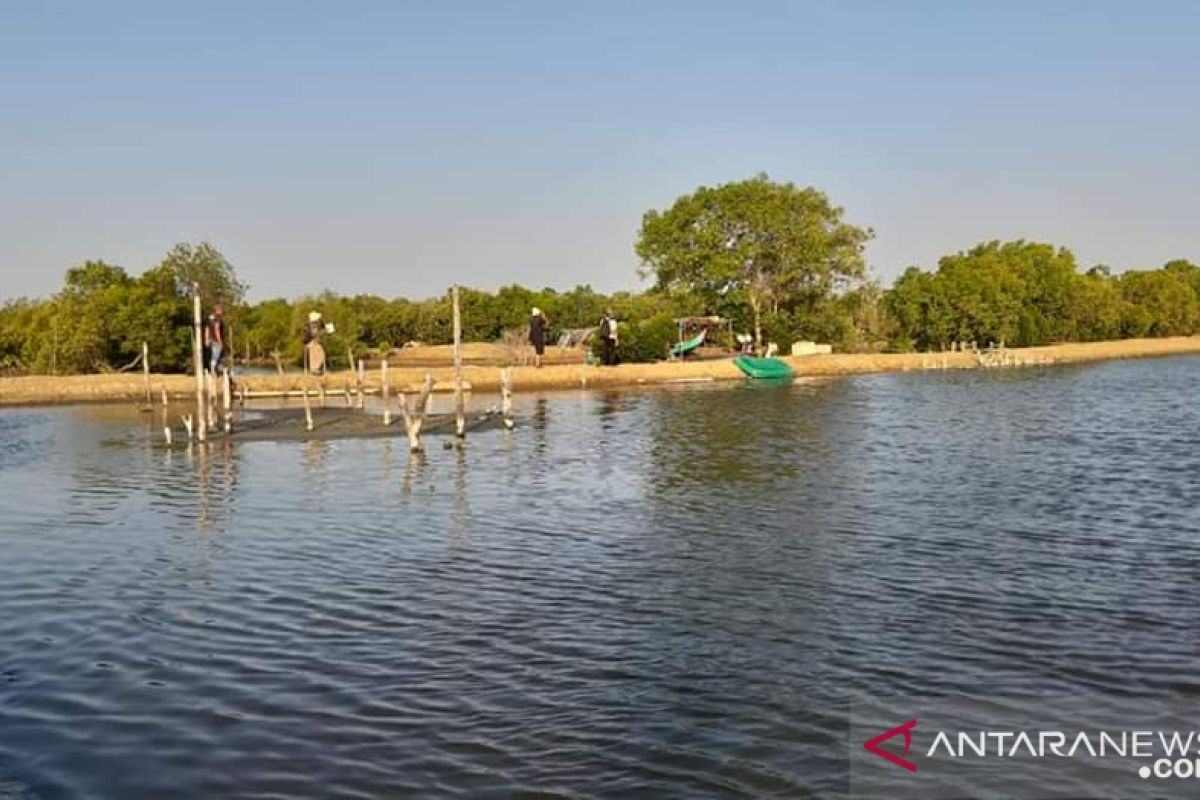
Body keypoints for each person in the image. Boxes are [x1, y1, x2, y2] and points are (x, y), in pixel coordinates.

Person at [303, 310, 329, 375]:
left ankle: (316, 369)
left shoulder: (314, 324)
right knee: (319, 353)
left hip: (312, 341)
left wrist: (324, 329)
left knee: (318, 353)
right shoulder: (312, 325)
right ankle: (315, 369)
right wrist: (324, 331)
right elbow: (315, 334)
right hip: (310, 342)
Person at [205, 305, 226, 374]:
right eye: (221, 310)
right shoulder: (217, 319)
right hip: (215, 340)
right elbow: (217, 331)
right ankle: (213, 369)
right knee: (216, 356)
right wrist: (220, 341)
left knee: (214, 355)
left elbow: (207, 329)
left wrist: (206, 339)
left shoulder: (209, 318)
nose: (222, 312)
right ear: (217, 311)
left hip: (210, 340)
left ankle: (214, 369)